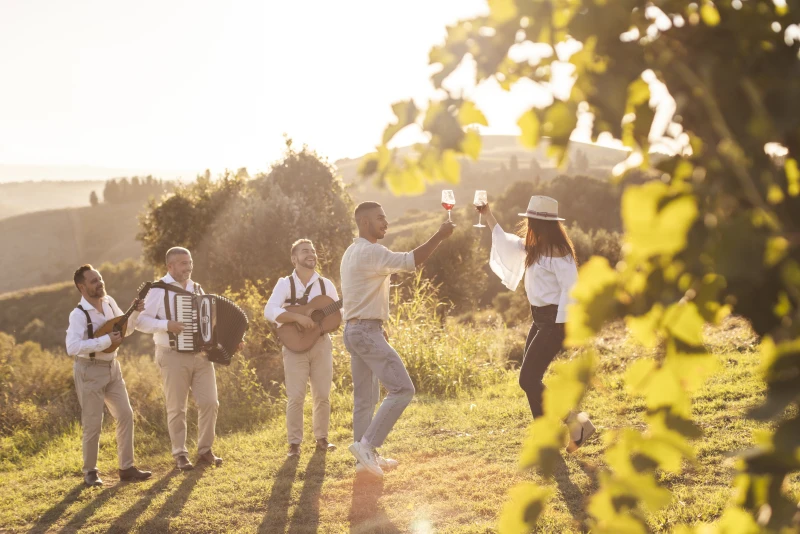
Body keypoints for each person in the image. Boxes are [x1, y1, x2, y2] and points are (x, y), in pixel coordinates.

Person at [341, 201, 455, 477]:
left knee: (364, 400)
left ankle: (364, 459)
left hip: (355, 330)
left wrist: (377, 323)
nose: (386, 222)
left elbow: (361, 293)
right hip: (365, 332)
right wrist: (440, 235)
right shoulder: (372, 252)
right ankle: (367, 447)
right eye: (380, 218)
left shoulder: (351, 252)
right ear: (365, 222)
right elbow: (411, 260)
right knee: (403, 389)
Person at [477, 195, 596, 452]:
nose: (528, 225)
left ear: (541, 224)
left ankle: (575, 424)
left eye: (531, 221)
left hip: (555, 321)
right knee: (531, 379)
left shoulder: (558, 253)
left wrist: (563, 326)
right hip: (541, 319)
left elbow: (572, 289)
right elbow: (507, 241)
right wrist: (487, 214)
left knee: (528, 379)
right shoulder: (535, 247)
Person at [136, 247, 223, 470]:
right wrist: (167, 325)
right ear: (170, 266)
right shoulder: (157, 290)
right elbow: (140, 322)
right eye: (183, 263)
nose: (189, 267)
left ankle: (205, 450)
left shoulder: (197, 288)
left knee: (210, 402)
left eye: (190, 262)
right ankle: (180, 454)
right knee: (177, 407)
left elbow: (207, 320)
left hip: (201, 355)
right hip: (171, 354)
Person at [65, 264, 151, 486]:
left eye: (100, 278)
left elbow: (125, 330)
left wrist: (136, 312)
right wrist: (105, 341)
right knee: (93, 422)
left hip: (112, 367)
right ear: (81, 286)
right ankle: (90, 472)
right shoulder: (78, 314)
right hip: (89, 370)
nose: (100, 283)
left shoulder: (110, 302)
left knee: (125, 414)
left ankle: (127, 468)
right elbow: (72, 346)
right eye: (94, 281)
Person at [264, 239, 339, 458]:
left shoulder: (326, 285)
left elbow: (336, 316)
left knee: (322, 395)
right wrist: (297, 317)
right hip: (294, 345)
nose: (312, 254)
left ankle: (322, 439)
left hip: (321, 344)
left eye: (314, 251)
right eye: (305, 251)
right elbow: (269, 311)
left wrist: (319, 322)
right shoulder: (285, 284)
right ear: (294, 258)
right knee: (295, 396)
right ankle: (294, 444)